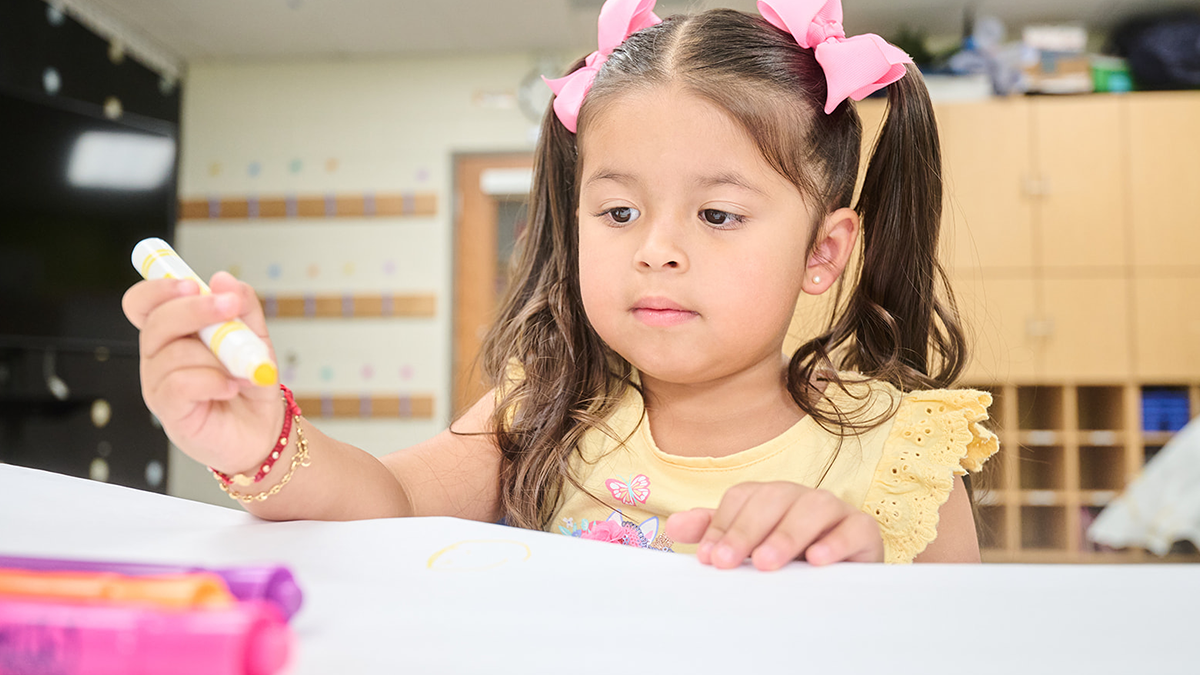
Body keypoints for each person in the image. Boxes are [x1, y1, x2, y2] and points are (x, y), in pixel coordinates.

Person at [122, 0, 998, 568]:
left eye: (718, 216)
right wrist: (260, 439)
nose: (656, 250)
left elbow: (966, 650)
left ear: (824, 249)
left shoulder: (902, 450)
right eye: (618, 213)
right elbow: (380, 503)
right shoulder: (542, 411)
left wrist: (856, 579)